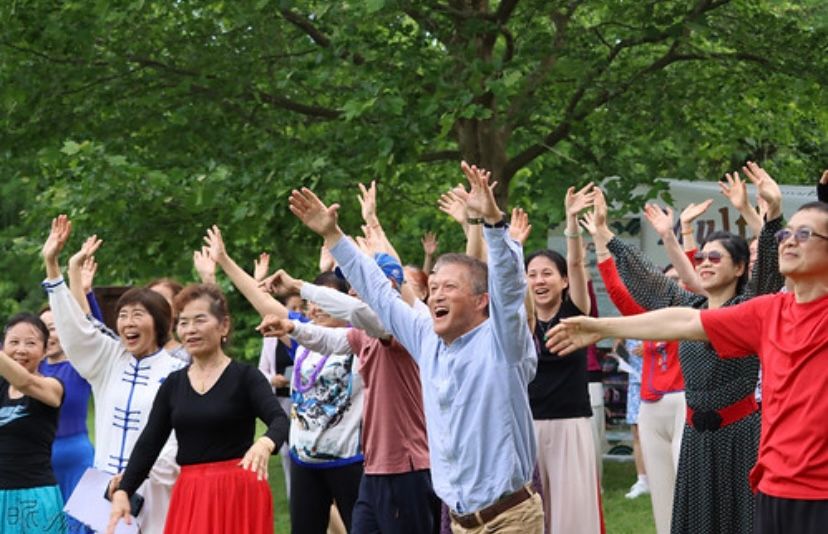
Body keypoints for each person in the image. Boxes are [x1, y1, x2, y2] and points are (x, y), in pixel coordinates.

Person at [288, 161, 543, 533]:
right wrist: (334, 236)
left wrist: (492, 223)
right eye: (434, 287)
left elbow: (508, 287)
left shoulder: (503, 343)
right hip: (459, 523)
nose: (436, 295)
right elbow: (379, 291)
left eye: (449, 287)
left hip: (510, 520)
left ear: (481, 300)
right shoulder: (427, 338)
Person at [548, 200, 828, 534]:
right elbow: (666, 303)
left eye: (715, 258)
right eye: (701, 258)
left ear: (740, 268)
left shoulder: (753, 303)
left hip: (747, 440)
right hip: (712, 445)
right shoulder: (732, 308)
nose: (705, 263)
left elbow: (766, 270)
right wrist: (607, 245)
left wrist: (772, 215)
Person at [203, 226, 364, 533]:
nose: (315, 306)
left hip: (349, 460)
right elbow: (262, 301)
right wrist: (224, 260)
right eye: (312, 300)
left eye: (327, 298)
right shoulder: (303, 337)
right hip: (304, 461)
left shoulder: (362, 340)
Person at [258, 257, 435, 534]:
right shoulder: (366, 335)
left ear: (387, 286)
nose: (350, 291)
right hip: (375, 467)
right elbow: (331, 339)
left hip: (405, 467)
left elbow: (356, 311)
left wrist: (299, 286)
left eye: (356, 284)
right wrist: (293, 328)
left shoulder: (399, 329)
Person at [42, 215, 185, 533]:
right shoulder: (109, 358)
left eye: (138, 314)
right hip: (102, 492)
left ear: (160, 323)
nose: (128, 322)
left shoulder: (178, 373)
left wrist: (139, 475)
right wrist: (53, 266)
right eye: (123, 315)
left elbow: (181, 441)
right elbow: (75, 329)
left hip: (153, 493)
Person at [107, 284, 289, 534]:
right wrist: (124, 490)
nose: (190, 329)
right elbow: (149, 442)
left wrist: (265, 443)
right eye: (183, 323)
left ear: (223, 325)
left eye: (199, 320)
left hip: (237, 490)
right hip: (191, 491)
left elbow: (280, 419)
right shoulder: (173, 384)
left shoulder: (246, 377)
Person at [524, 183, 603, 534]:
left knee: (571, 518)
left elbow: (575, 261)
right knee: (532, 515)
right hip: (528, 426)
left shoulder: (576, 311)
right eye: (532, 274)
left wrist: (571, 221)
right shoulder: (519, 322)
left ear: (563, 281)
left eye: (546, 273)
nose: (539, 281)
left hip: (570, 424)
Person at [0, 313, 66, 534]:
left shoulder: (52, 387)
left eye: (30, 343)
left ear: (45, 350)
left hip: (36, 497)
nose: (21, 350)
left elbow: (25, 382)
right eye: (14, 342)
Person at [38, 307, 94, 534]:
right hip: (38, 463)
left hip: (76, 461)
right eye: (43, 329)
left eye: (54, 328)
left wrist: (86, 294)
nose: (48, 335)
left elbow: (95, 331)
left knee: (79, 526)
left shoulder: (82, 366)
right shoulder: (30, 371)